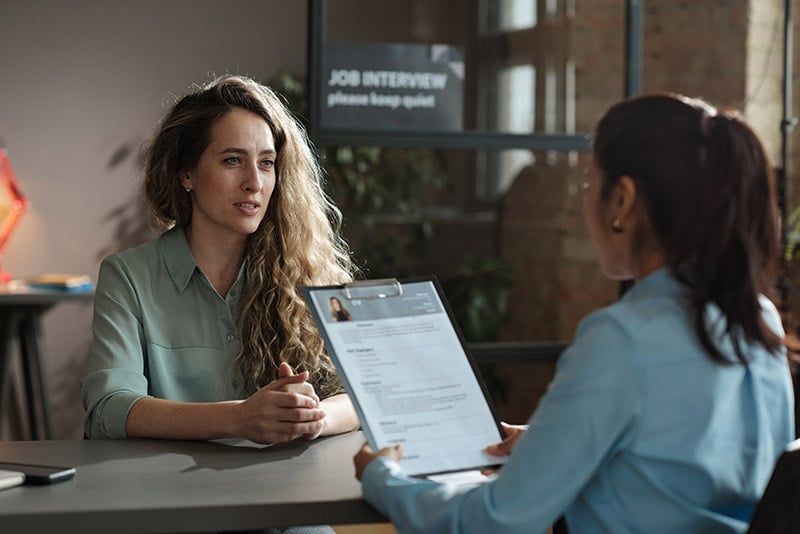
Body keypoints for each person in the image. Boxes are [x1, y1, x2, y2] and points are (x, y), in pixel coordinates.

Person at [353, 94, 796, 533]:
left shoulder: (623, 338)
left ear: (621, 200)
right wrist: (555, 443)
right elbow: (693, 471)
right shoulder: (759, 320)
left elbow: (493, 521)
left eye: (589, 185)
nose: (585, 202)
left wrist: (382, 478)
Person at [82, 74, 360, 447]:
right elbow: (107, 409)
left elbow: (364, 392)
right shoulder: (128, 277)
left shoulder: (307, 273)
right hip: (165, 494)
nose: (254, 183)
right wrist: (239, 418)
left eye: (266, 163)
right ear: (186, 174)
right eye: (233, 160)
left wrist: (309, 418)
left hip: (287, 490)